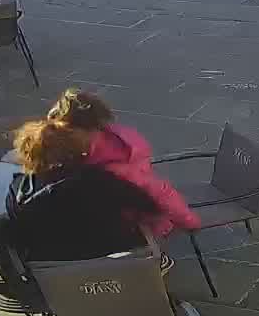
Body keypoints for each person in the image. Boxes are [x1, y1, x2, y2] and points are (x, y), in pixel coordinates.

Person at [47, 89, 201, 239]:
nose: (61, 138)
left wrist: (189, 222)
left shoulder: (116, 169)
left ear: (88, 129)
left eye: (67, 133)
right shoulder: (103, 141)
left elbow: (161, 193)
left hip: (133, 224)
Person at [8, 118, 165, 264]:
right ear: (73, 148)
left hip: (58, 274)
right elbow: (149, 205)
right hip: (116, 260)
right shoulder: (98, 179)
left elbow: (18, 238)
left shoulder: (18, 191)